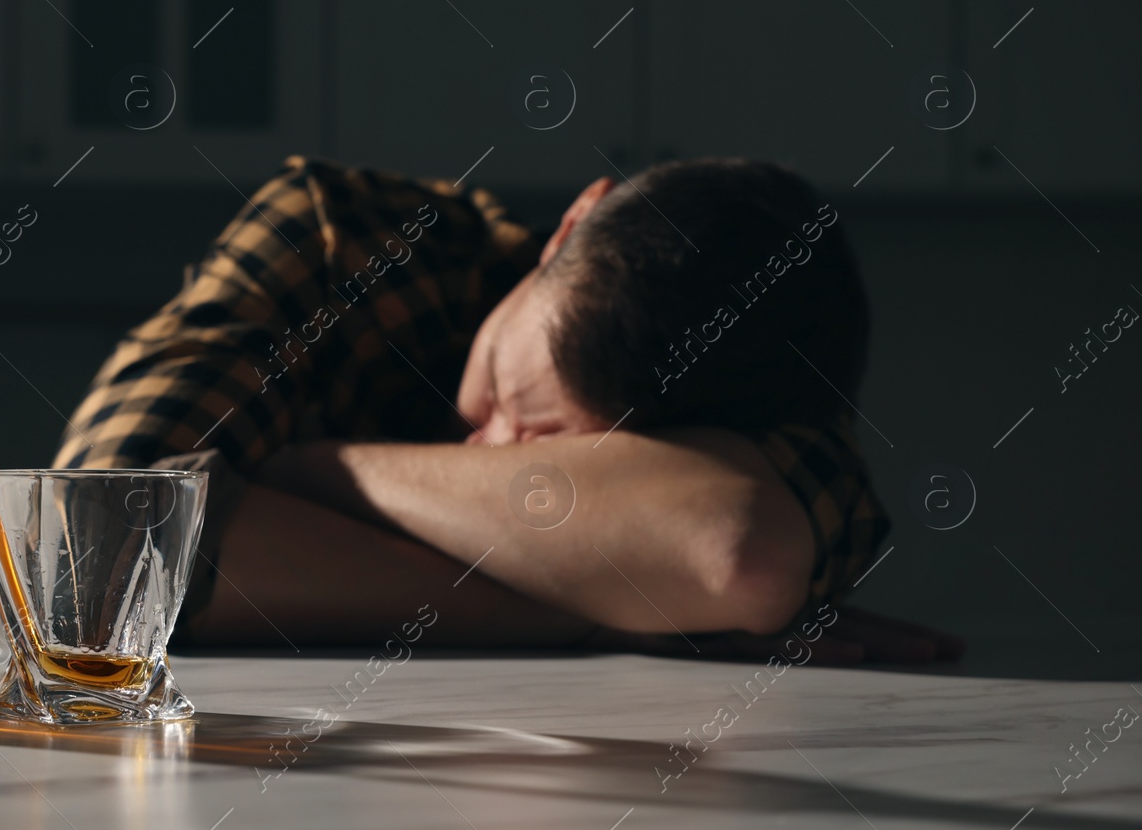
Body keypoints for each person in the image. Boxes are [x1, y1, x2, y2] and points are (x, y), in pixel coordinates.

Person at [54, 156, 962, 663]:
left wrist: (315, 472)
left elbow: (740, 555)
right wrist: (597, 612)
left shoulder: (774, 392)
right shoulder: (343, 237)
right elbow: (95, 556)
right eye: (503, 390)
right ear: (570, 227)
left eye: (558, 453)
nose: (491, 447)